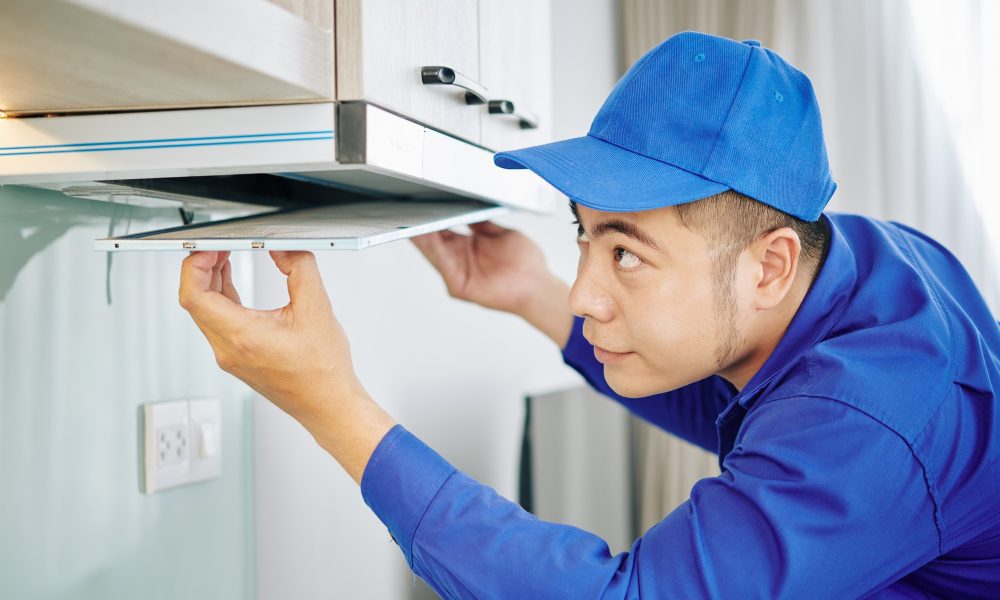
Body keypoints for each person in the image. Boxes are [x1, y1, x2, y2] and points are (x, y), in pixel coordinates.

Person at [178, 32, 1000, 598]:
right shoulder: (856, 264)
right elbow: (758, 408)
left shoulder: (875, 414)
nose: (585, 293)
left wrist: (333, 405)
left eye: (627, 253)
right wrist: (530, 291)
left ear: (770, 264)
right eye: (585, 236)